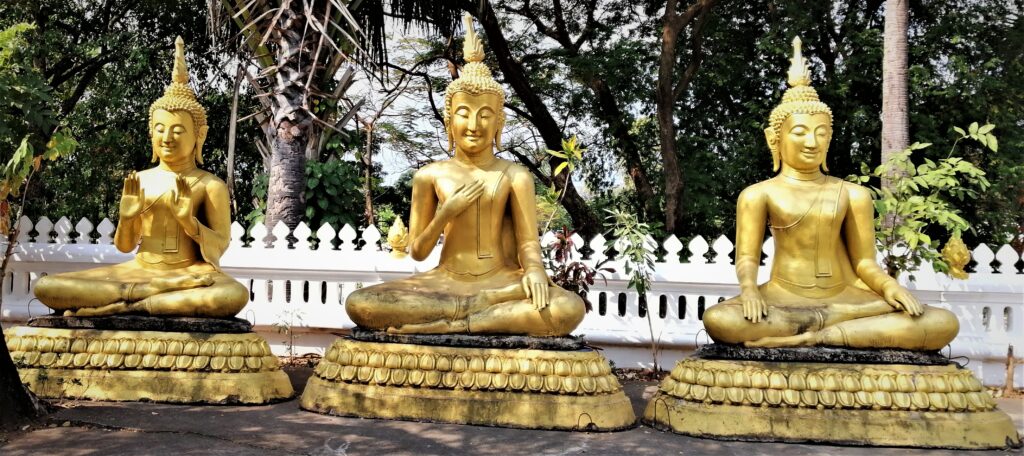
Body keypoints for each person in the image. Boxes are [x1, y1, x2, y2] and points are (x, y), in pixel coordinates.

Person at [701, 38, 959, 350]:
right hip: (783, 299)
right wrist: (750, 290)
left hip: (847, 299)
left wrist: (890, 286)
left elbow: (864, 263)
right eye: (800, 132)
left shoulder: (853, 194)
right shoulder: (759, 194)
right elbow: (746, 257)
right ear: (774, 139)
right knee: (719, 319)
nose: (812, 142)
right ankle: (841, 329)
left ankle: (817, 335)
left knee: (942, 322)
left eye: (821, 133)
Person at [345, 15, 584, 336]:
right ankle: (480, 314)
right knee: (361, 303)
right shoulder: (430, 176)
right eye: (463, 113)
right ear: (448, 121)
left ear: (499, 123)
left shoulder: (515, 175)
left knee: (569, 308)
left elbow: (528, 243)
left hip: (500, 281)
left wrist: (536, 272)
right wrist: (445, 212)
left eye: (485, 115)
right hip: (445, 282)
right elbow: (417, 251)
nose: (474, 124)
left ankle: (459, 322)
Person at [34, 37, 248, 318]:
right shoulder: (141, 181)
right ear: (151, 133)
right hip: (141, 272)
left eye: (177, 130)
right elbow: (125, 246)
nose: (167, 137)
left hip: (190, 272)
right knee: (47, 286)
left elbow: (220, 244)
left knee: (232, 295)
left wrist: (189, 222)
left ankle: (129, 306)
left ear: (199, 135)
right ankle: (146, 296)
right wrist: (126, 217)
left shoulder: (210, 185)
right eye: (160, 129)